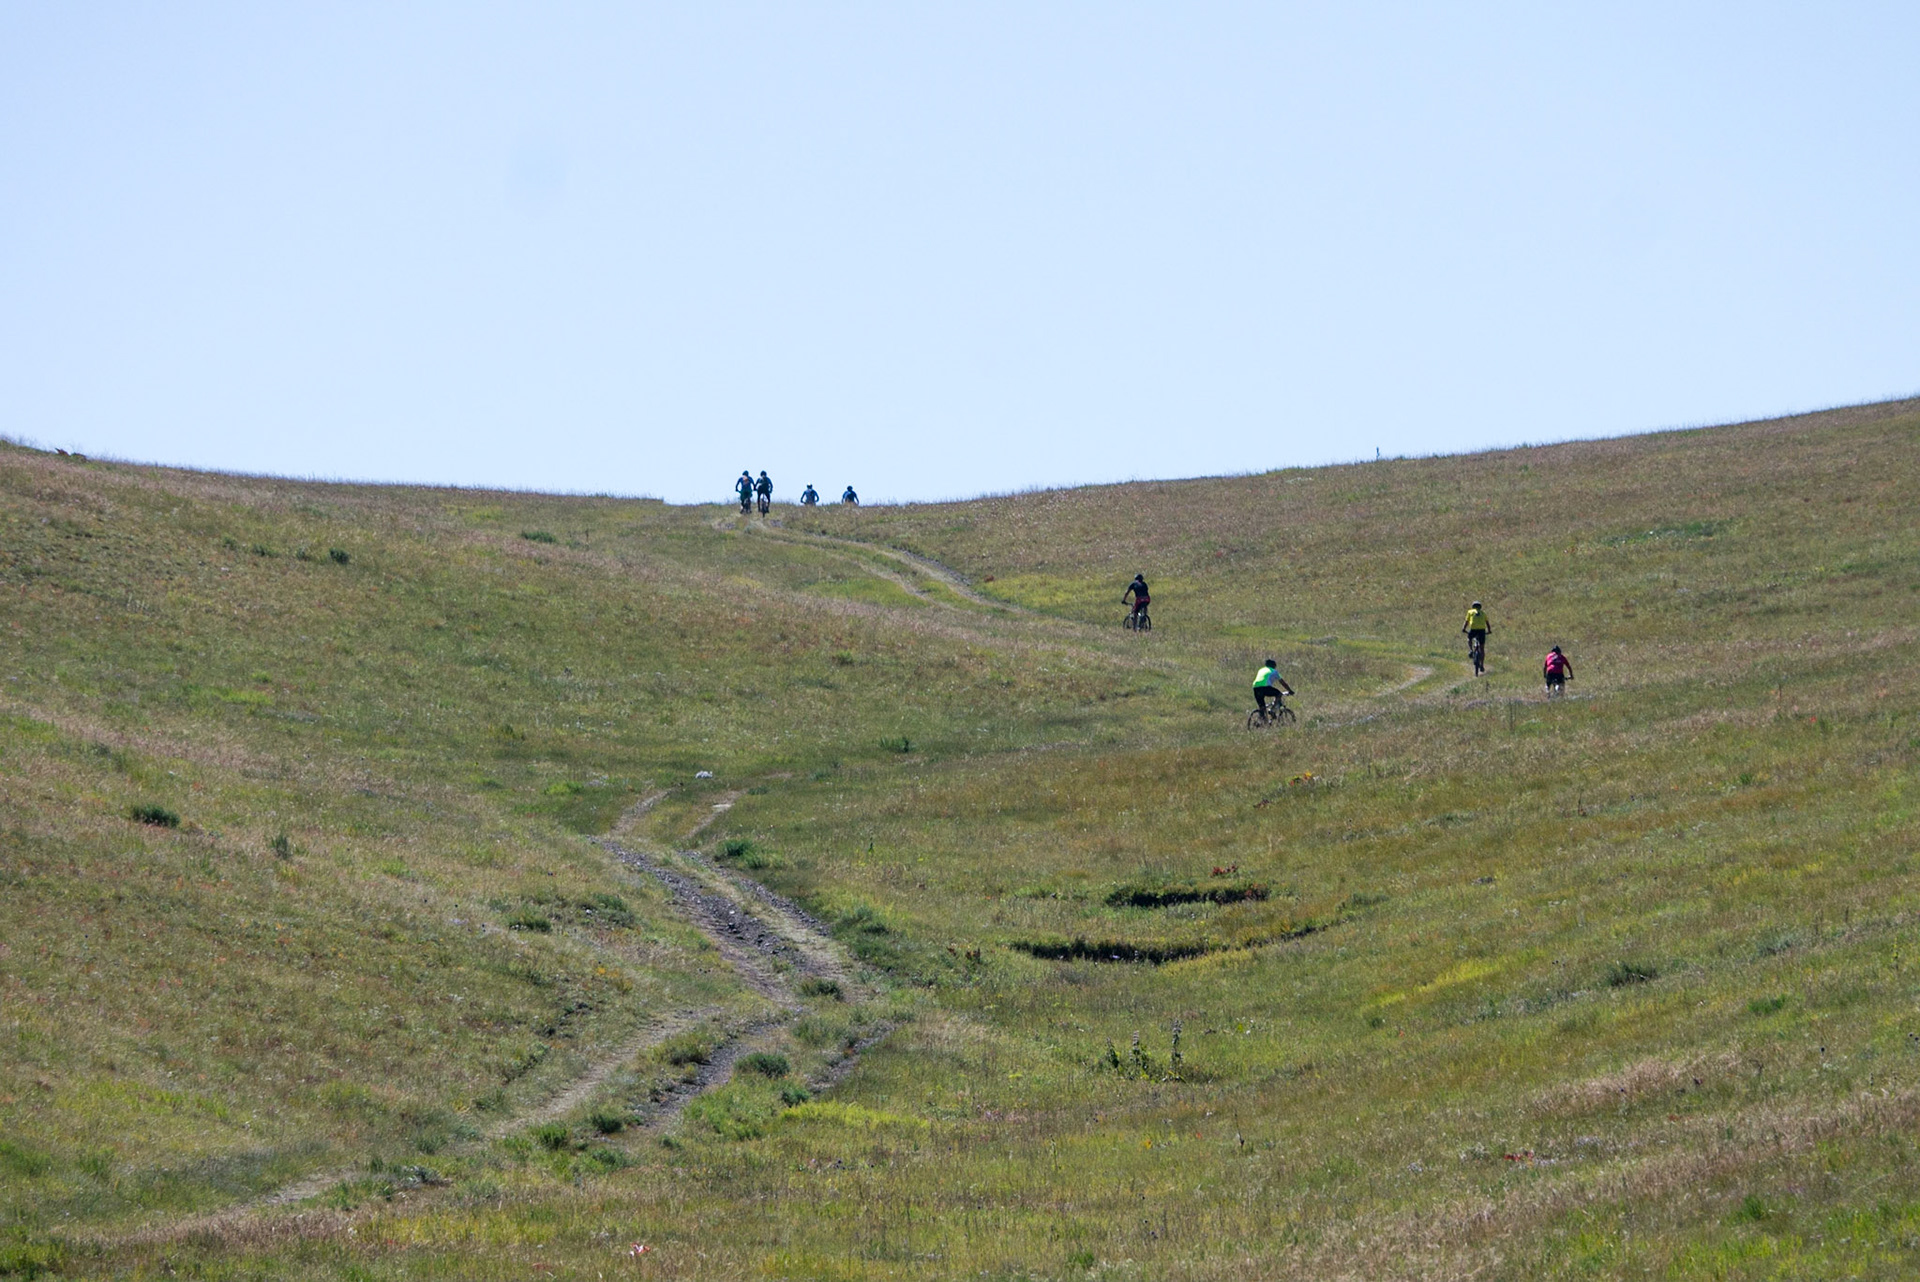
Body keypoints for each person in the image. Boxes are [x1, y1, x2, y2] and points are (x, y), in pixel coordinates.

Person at [1462, 600, 1491, 675]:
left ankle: (1471, 650)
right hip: (1482, 630)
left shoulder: (1470, 612)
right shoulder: (1483, 613)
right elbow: (1487, 623)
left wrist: (1464, 629)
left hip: (1473, 629)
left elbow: (1467, 622)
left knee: (1469, 638)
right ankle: (1481, 665)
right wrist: (1489, 630)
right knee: (1482, 648)